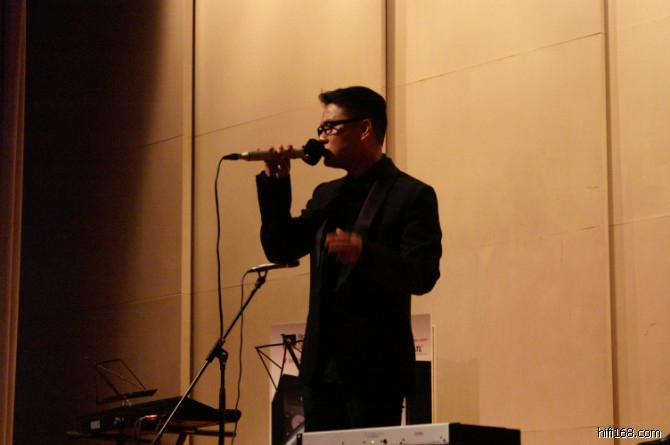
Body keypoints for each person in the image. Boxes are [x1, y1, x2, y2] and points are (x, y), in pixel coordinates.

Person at [255, 86, 442, 432]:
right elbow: (280, 248)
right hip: (319, 372)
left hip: (375, 372)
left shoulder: (411, 194)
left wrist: (364, 253)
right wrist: (276, 185)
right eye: (320, 129)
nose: (321, 138)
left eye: (330, 127)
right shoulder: (326, 195)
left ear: (365, 128)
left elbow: (422, 274)